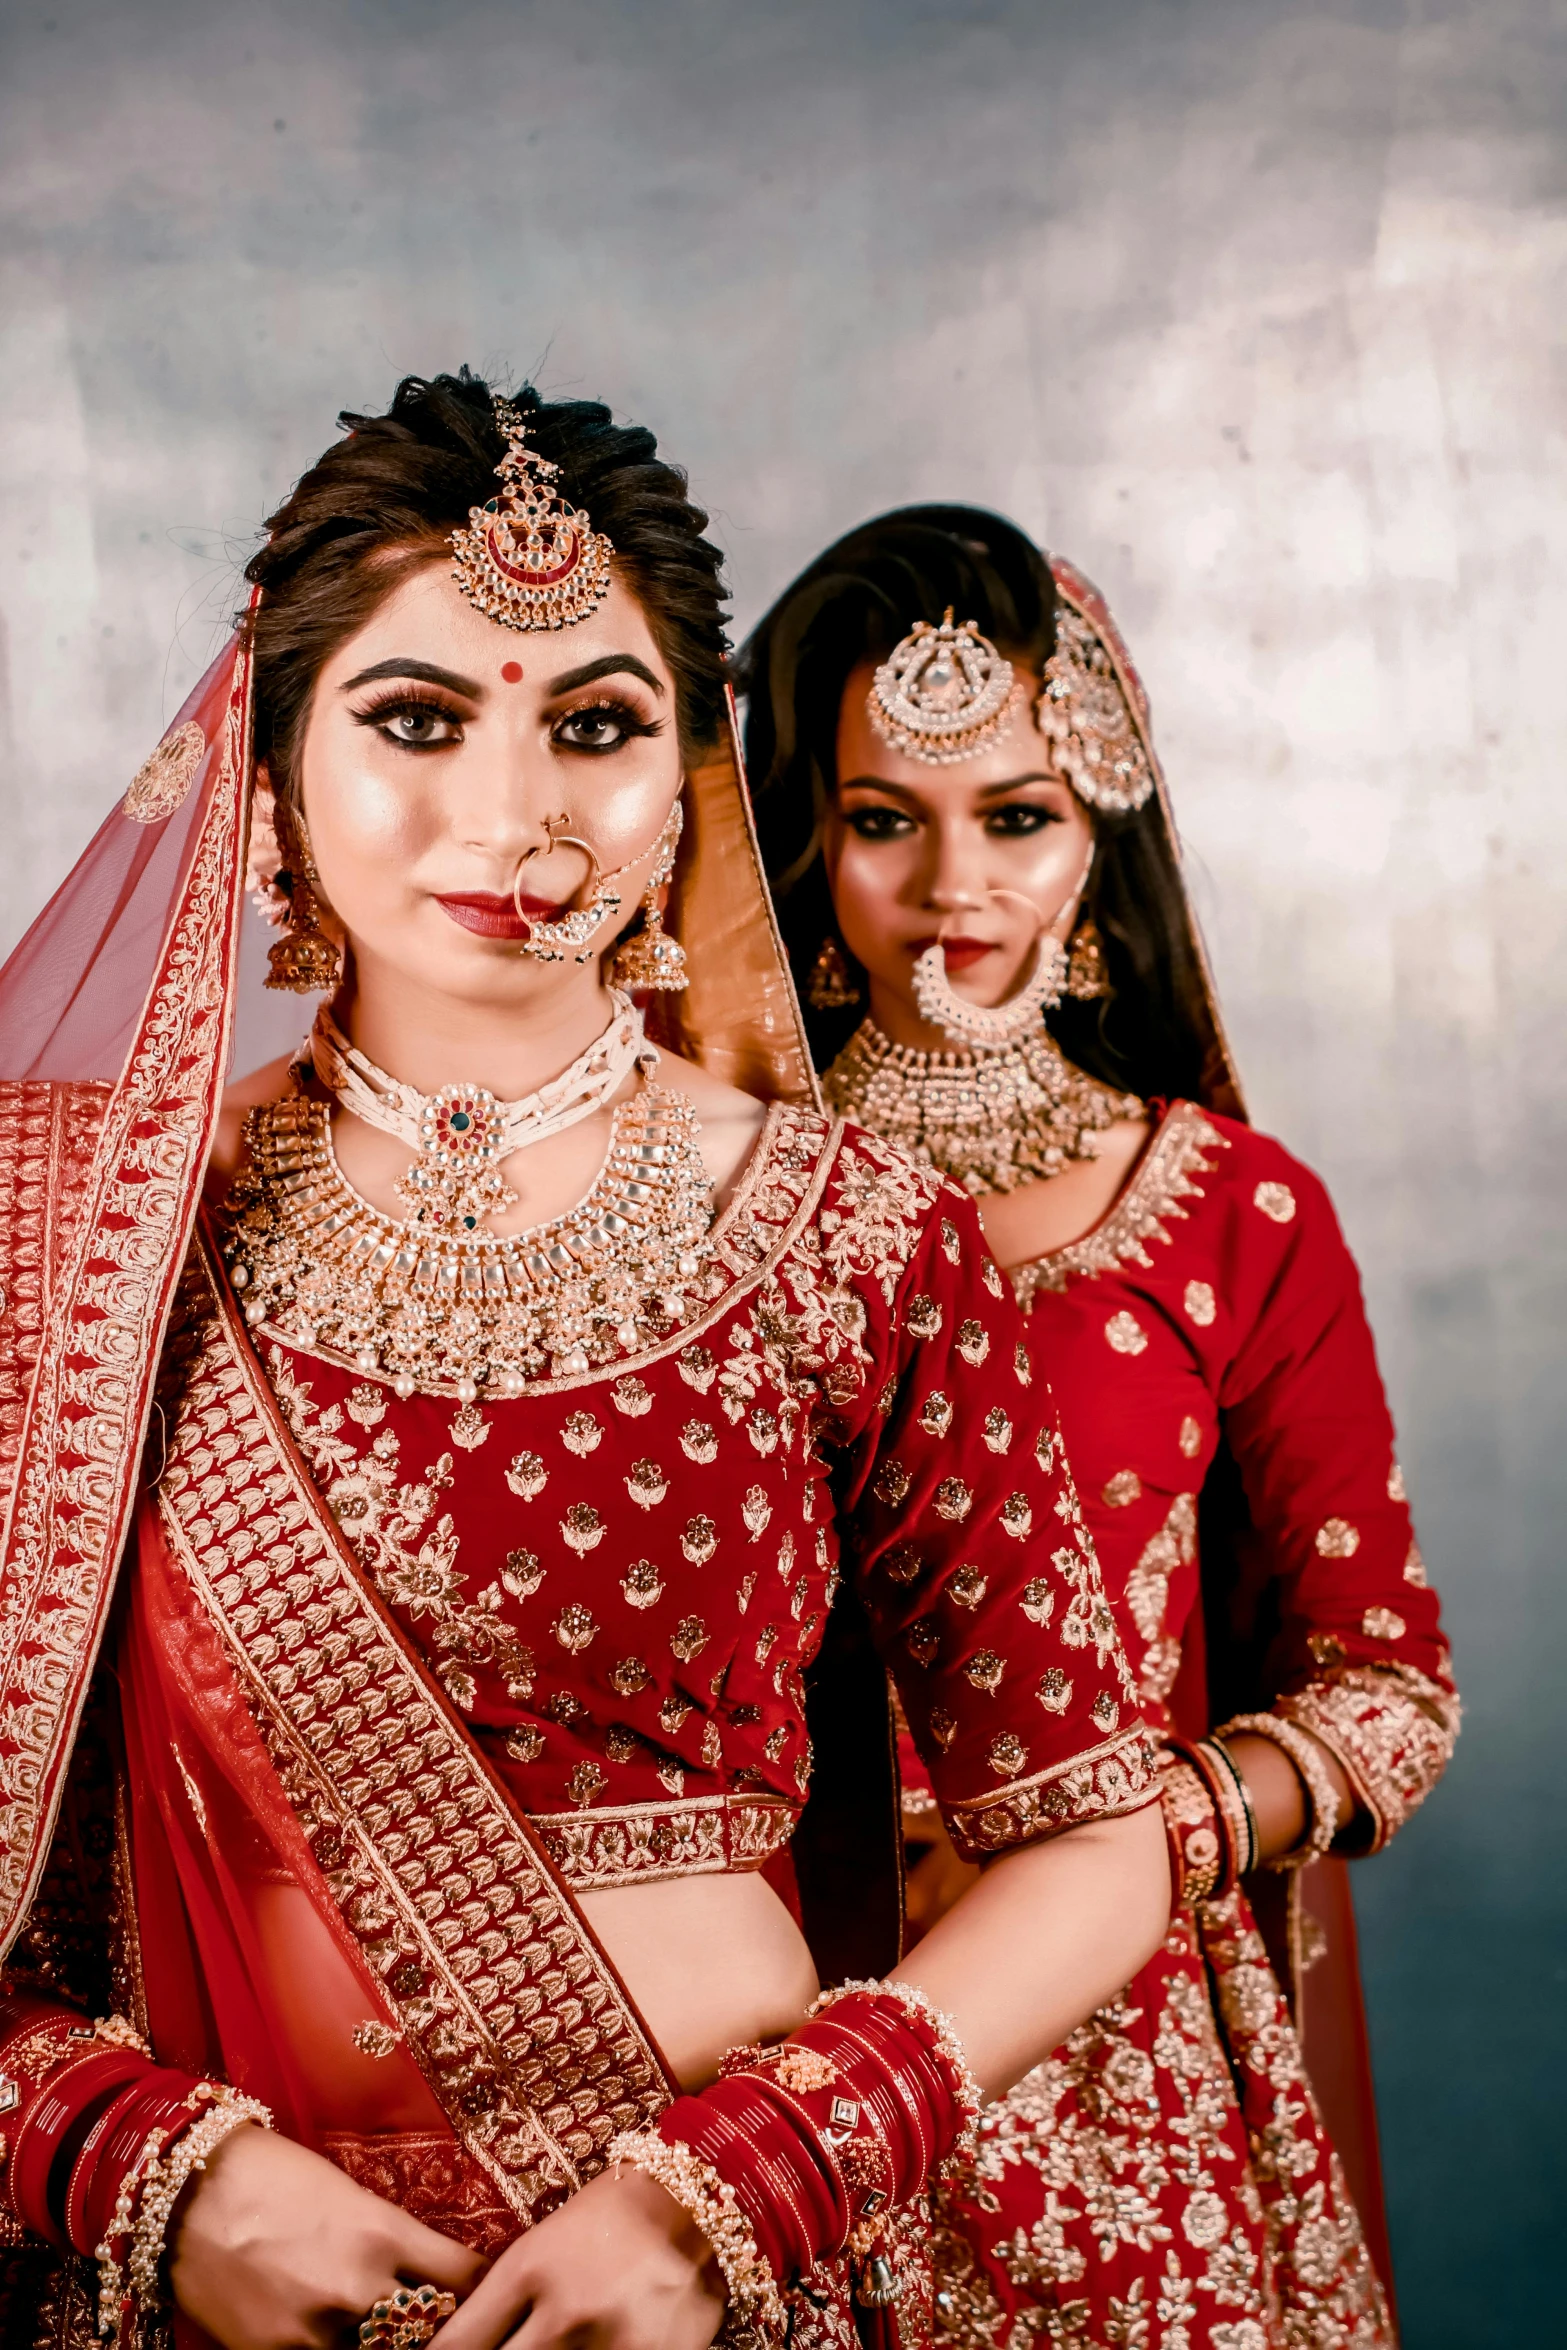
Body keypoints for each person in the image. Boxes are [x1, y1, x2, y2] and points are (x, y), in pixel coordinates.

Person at [0, 385, 1170, 2350]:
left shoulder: (853, 1232)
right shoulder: (70, 1235)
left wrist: (745, 2193)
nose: (516, 811)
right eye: (415, 715)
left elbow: (1087, 1824)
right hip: (214, 2280)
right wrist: (139, 2164)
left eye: (599, 721)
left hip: (717, 2276)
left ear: (686, 778)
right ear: (266, 761)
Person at [739, 509, 1459, 2350]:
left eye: (1019, 815)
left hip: (1112, 2040)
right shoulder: (701, 1206)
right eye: (885, 818)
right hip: (749, 2023)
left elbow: (1385, 1687)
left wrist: (1137, 1833)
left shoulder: (1230, 1211)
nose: (954, 885)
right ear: (799, 842)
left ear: (1100, 832)